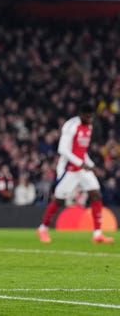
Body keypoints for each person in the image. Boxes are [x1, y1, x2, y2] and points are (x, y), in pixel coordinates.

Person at [36, 103, 114, 244]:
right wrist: (81, 164)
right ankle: (43, 228)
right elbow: (63, 149)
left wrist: (91, 165)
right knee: (59, 200)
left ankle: (97, 234)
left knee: (96, 194)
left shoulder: (89, 127)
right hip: (68, 169)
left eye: (91, 117)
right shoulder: (71, 126)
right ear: (81, 115)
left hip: (82, 168)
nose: (90, 119)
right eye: (88, 116)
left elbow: (81, 152)